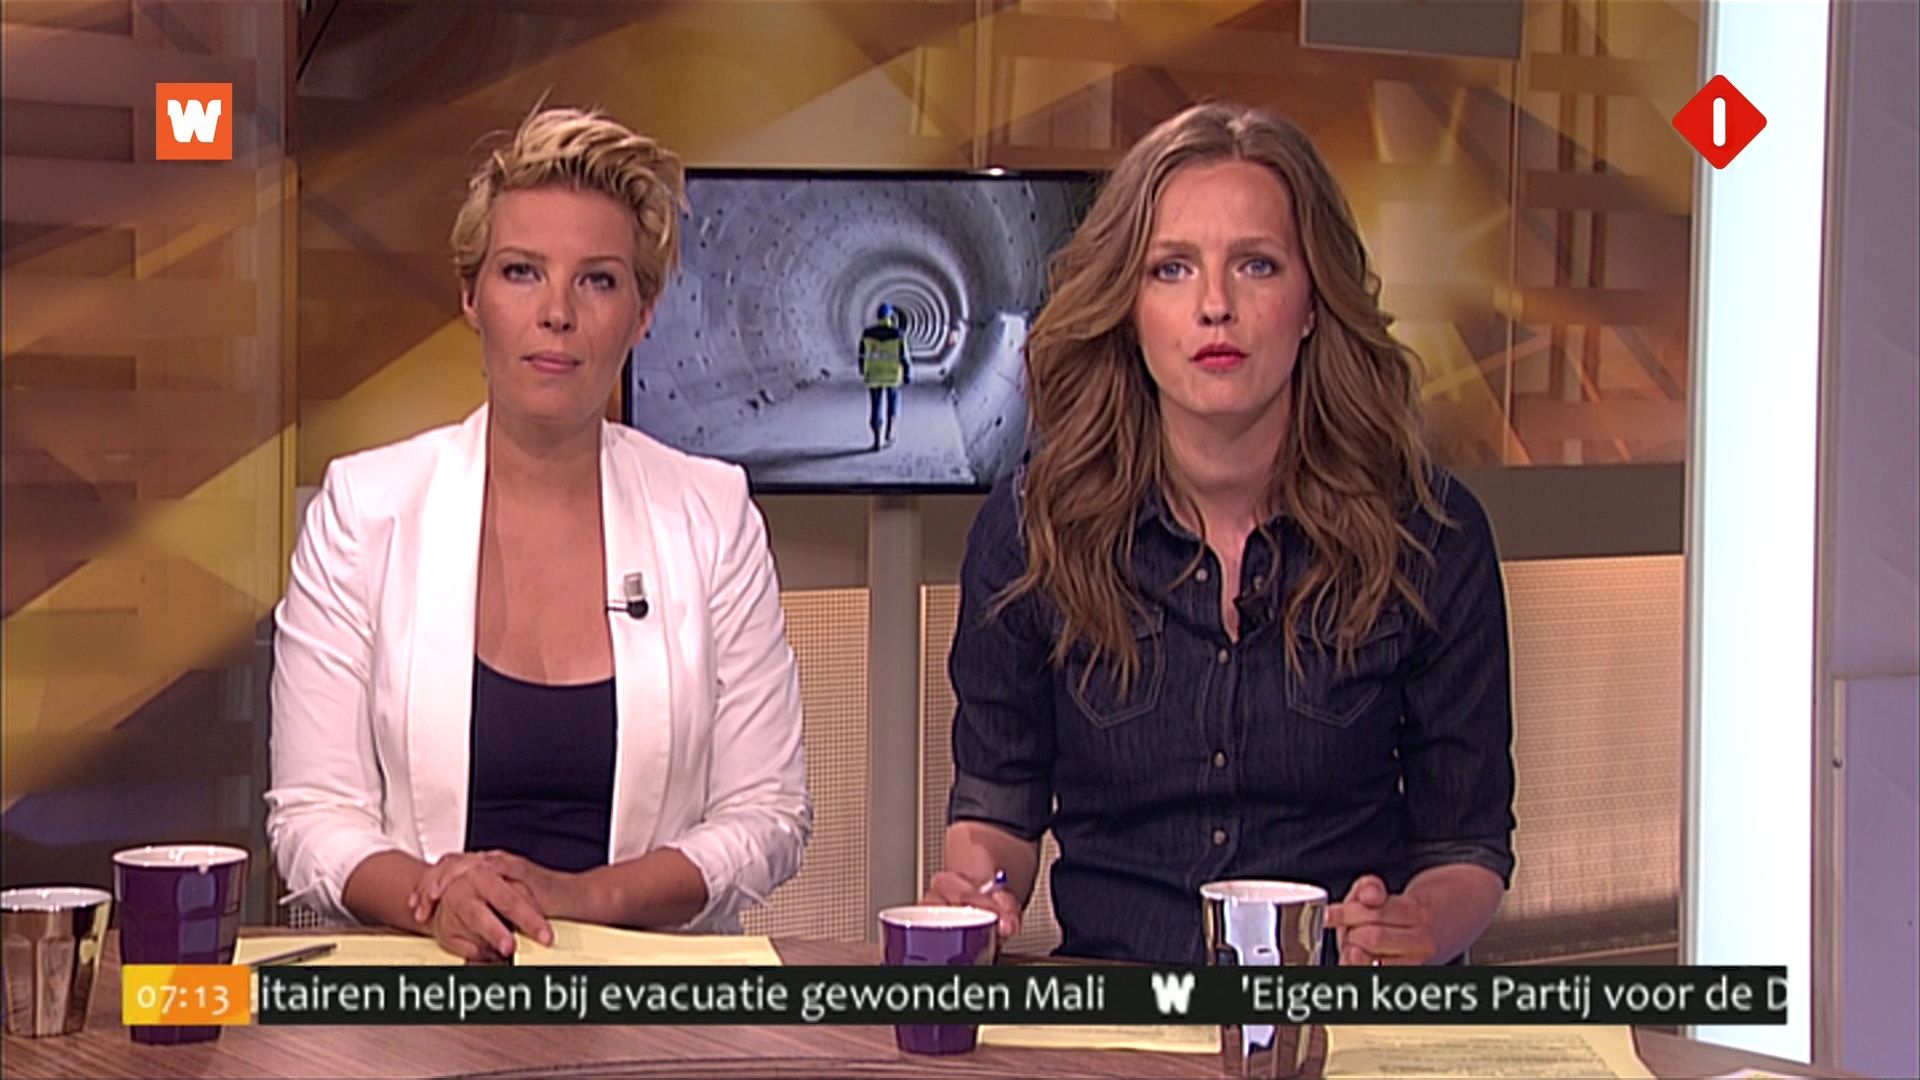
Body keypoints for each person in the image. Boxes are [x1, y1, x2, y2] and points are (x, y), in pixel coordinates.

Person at [925, 102, 1516, 967]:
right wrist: (982, 896)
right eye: (1172, 269)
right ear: (1130, 307)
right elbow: (996, 813)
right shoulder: (1033, 533)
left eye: (1257, 265)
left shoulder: (1431, 535)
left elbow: (1466, 846)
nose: (1215, 307)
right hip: (1123, 1005)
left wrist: (1417, 925)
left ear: (1312, 303)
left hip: (1339, 1009)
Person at [266, 106, 811, 962]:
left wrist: (582, 900)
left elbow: (766, 815)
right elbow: (311, 816)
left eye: (598, 281)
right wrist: (436, 900)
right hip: (424, 983)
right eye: (522, 272)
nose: (557, 312)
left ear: (643, 313)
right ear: (471, 296)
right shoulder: (364, 511)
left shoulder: (713, 514)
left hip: (649, 995)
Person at [858, 302, 912, 450]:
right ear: (890, 317)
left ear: (878, 317)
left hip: (873, 375)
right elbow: (904, 355)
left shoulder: (867, 333)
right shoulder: (898, 334)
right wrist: (907, 372)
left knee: (875, 405)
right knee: (893, 403)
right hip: (892, 375)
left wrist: (862, 369)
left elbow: (862, 354)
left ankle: (877, 439)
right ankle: (890, 433)